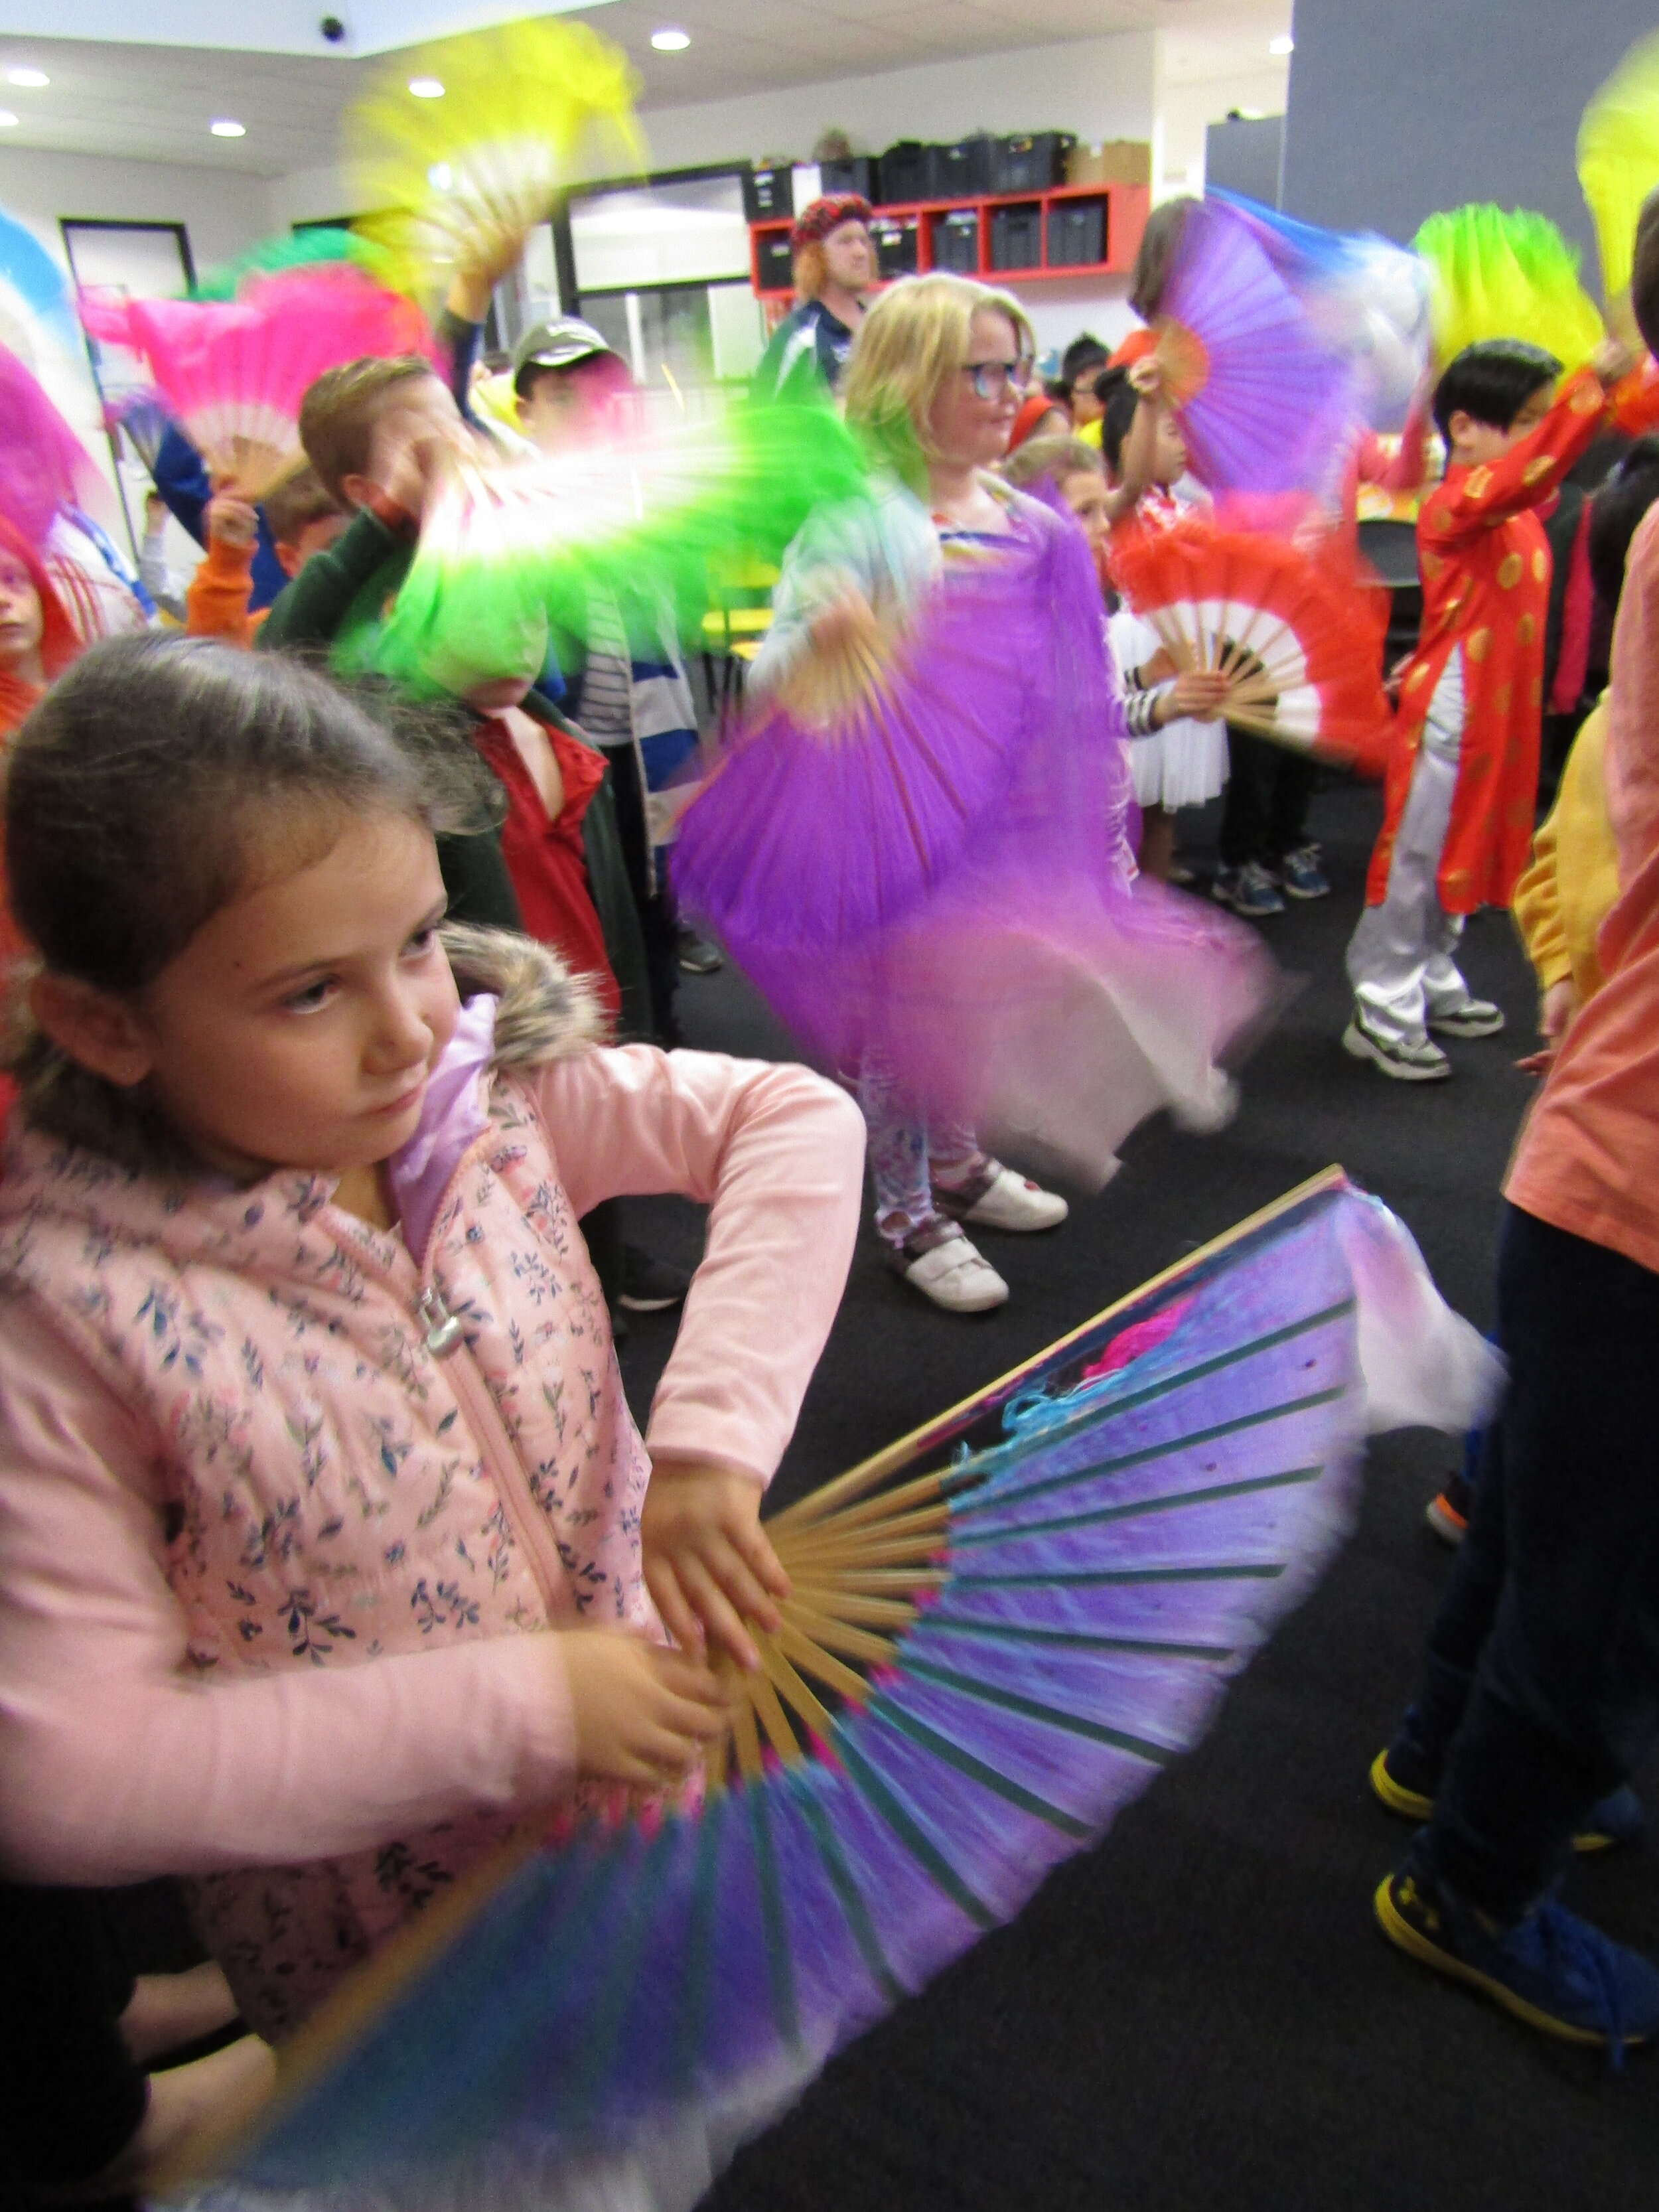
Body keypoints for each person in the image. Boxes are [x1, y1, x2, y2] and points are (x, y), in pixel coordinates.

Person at [0, 634, 865, 2045]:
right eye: (306, 991)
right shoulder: (69, 1324)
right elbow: (71, 1770)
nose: (409, 1029)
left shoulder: (489, 1103)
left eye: (413, 941)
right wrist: (524, 1705)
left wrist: (711, 1440)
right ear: (105, 1026)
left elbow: (791, 1120)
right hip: (390, 1950)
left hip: (643, 1778)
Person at [1369, 206, 1659, 2050]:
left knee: (1549, 1498)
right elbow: (1508, 489)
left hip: (1600, 1141)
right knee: (1601, 1578)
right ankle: (1475, 1866)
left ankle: (1436, 1756)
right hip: (1625, 1164)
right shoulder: (1503, 496)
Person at [755, 275, 1092, 1314]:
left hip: (996, 820)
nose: (1005, 393)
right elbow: (774, 678)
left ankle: (956, 1159)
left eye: (1014, 369)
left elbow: (1057, 675)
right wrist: (825, 640)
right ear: (907, 384)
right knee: (906, 1023)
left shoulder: (1029, 523)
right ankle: (904, 1214)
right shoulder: (858, 521)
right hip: (896, 824)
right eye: (977, 372)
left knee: (975, 1005)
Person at [1422, 437, 1659, 1548]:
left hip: (1598, 1080)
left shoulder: (1614, 715)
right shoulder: (1468, 501)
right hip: (1608, 1127)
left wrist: (1567, 985)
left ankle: (1485, 1484)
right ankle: (1481, 1482)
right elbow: (1567, 869)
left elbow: (1555, 867)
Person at [1343, 336, 1630, 1080]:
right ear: (1465, 428)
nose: (1542, 438)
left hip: (1491, 712)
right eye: (1527, 420)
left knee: (1465, 848)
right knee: (1417, 855)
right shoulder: (1455, 506)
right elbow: (1521, 478)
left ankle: (1430, 977)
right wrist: (1587, 387)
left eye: (1543, 419)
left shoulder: (1514, 511)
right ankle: (1381, 1005)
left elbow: (1532, 481)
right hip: (1451, 710)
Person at [1000, 433, 1230, 881]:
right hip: (1052, 851)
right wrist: (1167, 705)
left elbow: (1083, 687)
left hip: (1093, 839)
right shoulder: (1025, 619)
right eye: (1085, 512)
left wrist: (1142, 676)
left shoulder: (1071, 605)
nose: (1105, 526)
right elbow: (1078, 717)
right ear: (1033, 523)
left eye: (1103, 509)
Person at [1095, 362, 1232, 883]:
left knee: (1164, 805)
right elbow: (1130, 481)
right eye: (1172, 434)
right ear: (1132, 442)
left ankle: (1155, 901)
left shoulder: (1190, 508)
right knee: (1132, 793)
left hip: (1183, 649)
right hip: (1139, 649)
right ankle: (1134, 900)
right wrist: (1151, 402)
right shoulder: (1123, 508)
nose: (1182, 448)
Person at [186, 465, 347, 647]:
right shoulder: (273, 636)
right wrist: (227, 561)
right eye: (340, 547)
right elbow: (217, 657)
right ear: (290, 559)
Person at [751, 195, 876, 404]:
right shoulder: (800, 338)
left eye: (863, 240)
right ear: (815, 255)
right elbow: (762, 418)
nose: (861, 252)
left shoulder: (881, 327)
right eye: (845, 241)